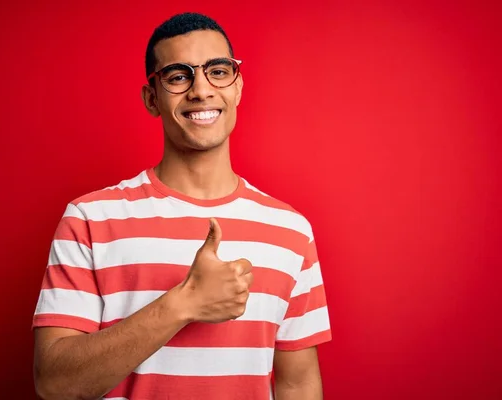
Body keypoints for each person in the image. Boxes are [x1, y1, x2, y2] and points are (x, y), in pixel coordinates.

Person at [32, 12, 331, 400]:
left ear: (238, 87)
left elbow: (298, 384)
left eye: (219, 71)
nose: (202, 90)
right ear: (151, 99)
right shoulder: (90, 219)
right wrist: (184, 303)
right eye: (178, 76)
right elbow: (55, 384)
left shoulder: (291, 231)